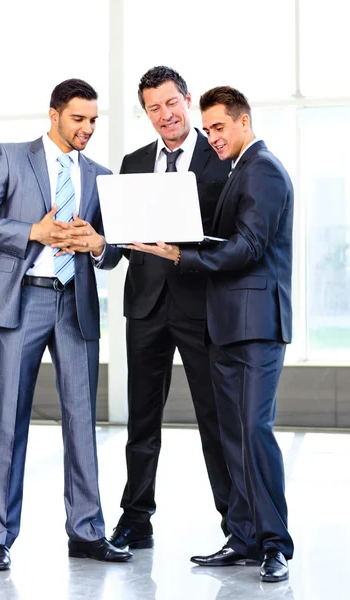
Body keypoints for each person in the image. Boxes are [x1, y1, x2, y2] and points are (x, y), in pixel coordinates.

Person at [0, 78, 132, 569]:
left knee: (82, 421)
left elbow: (113, 249)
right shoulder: (12, 157)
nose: (87, 129)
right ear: (54, 114)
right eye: (78, 119)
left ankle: (87, 532)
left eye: (94, 120)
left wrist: (97, 244)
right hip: (22, 302)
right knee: (8, 420)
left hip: (74, 302)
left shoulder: (99, 174)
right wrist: (31, 231)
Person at [128, 85, 294, 583]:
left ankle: (274, 543)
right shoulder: (241, 169)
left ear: (244, 121)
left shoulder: (263, 168)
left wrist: (181, 254)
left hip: (255, 325)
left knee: (253, 432)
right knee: (233, 435)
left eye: (220, 127)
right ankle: (242, 537)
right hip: (224, 324)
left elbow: (248, 246)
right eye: (209, 129)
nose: (213, 137)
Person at [108, 66, 232, 550]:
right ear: (146, 113)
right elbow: (122, 237)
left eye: (171, 103)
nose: (165, 115)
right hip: (144, 306)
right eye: (153, 108)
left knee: (214, 419)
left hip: (200, 303)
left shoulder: (219, 157)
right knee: (141, 421)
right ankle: (135, 519)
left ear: (187, 100)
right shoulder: (134, 160)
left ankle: (235, 524)